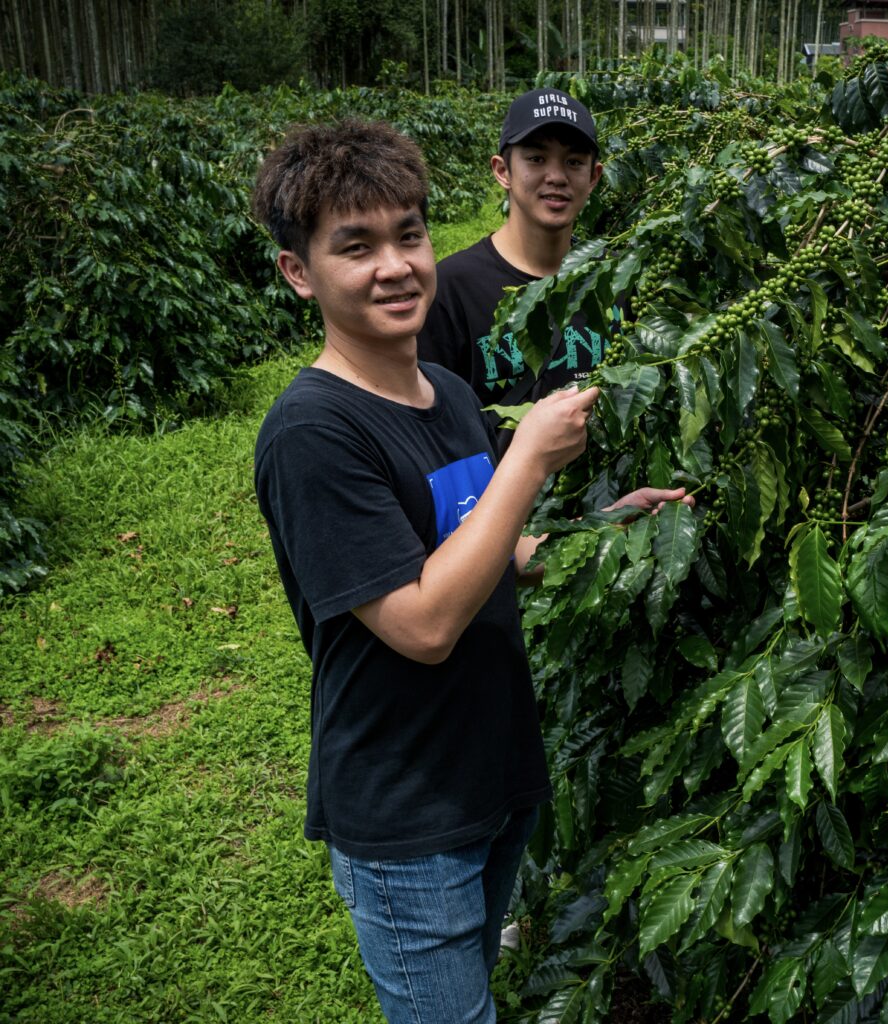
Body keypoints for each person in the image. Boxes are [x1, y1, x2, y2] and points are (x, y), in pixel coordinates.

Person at [249, 119, 611, 1024]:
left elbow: (490, 549)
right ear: (299, 272)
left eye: (408, 236)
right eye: (356, 247)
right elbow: (421, 623)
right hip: (409, 814)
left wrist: (606, 533)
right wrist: (529, 459)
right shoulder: (313, 433)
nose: (395, 267)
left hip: (494, 770)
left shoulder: (447, 394)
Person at [419, 87, 619, 443]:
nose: (556, 176)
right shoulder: (449, 289)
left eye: (574, 162)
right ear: (503, 171)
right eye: (536, 159)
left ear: (594, 177)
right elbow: (432, 429)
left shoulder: (616, 277)